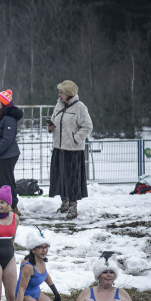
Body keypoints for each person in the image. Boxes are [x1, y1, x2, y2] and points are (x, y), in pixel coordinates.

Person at [48, 79, 93, 220]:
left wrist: (76, 139)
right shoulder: (58, 105)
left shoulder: (80, 107)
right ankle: (64, 202)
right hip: (58, 148)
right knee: (60, 176)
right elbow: (54, 120)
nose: (59, 95)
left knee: (72, 178)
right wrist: (51, 127)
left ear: (69, 94)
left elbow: (87, 126)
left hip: (73, 150)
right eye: (59, 92)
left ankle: (73, 206)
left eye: (61, 93)